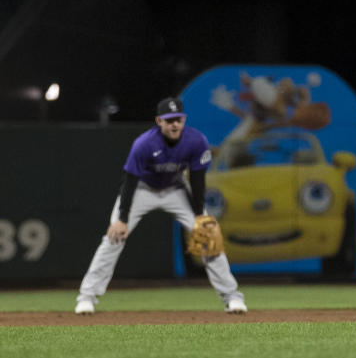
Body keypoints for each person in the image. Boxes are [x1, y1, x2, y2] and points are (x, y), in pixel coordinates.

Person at [74, 98, 247, 315]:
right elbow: (129, 181)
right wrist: (122, 219)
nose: (175, 124)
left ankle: (232, 297)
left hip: (176, 189)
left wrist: (200, 216)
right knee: (113, 238)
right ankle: (87, 297)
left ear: (184, 120)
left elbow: (197, 181)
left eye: (178, 119)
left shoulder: (196, 141)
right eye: (169, 120)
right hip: (142, 190)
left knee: (209, 235)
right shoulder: (144, 144)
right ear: (159, 121)